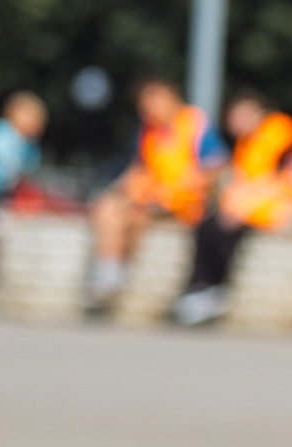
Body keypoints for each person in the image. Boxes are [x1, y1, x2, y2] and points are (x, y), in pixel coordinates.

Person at [170, 90, 292, 326]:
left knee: (222, 228)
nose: (235, 122)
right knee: (207, 225)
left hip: (275, 204)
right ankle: (202, 287)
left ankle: (214, 289)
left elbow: (285, 177)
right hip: (251, 204)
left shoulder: (277, 129)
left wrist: (244, 204)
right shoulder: (246, 141)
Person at [85, 77, 221, 316]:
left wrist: (183, 187)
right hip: (152, 199)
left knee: (132, 216)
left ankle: (111, 274)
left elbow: (215, 166)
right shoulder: (148, 128)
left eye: (153, 100)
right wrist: (117, 192)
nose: (147, 108)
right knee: (110, 209)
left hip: (184, 203)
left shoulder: (193, 123)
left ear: (171, 97)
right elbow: (139, 167)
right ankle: (108, 274)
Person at [0, 91, 46, 205]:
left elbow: (28, 169)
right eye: (30, 116)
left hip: (7, 191)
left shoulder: (30, 144)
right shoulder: (0, 129)